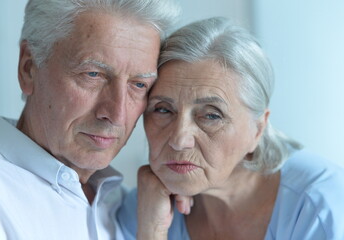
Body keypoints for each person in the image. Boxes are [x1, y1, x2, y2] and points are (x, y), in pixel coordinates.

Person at [117, 17, 344, 240]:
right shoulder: (144, 208)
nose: (179, 139)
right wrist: (152, 231)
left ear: (258, 129)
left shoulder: (322, 207)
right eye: (163, 110)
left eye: (211, 115)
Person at [0, 0, 180, 239]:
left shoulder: (126, 206)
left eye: (138, 85)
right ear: (28, 68)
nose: (117, 115)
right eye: (93, 74)